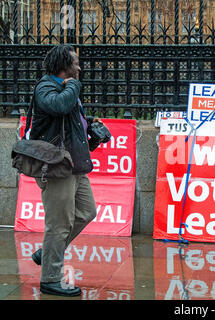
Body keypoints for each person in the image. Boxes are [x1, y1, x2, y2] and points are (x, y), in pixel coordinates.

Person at [29, 44, 103, 296]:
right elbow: (58, 106)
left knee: (87, 211)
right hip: (56, 167)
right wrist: (72, 84)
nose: (79, 67)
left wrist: (91, 130)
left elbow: (71, 124)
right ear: (64, 65)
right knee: (59, 225)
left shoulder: (68, 89)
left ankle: (47, 253)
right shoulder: (46, 87)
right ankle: (50, 279)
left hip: (76, 164)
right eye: (75, 63)